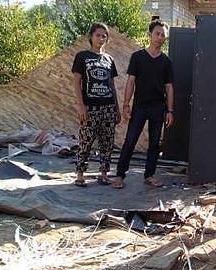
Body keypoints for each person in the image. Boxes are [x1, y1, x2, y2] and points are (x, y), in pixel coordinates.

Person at [112, 20, 174, 189]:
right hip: (139, 106)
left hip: (158, 107)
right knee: (130, 140)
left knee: (154, 144)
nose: (160, 37)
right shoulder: (138, 57)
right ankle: (119, 175)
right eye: (157, 33)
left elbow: (169, 87)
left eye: (163, 35)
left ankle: (149, 175)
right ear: (150, 34)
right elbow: (131, 82)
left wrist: (170, 110)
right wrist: (125, 105)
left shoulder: (166, 62)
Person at [71, 22, 120, 187]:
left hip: (108, 108)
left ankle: (103, 174)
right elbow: (77, 82)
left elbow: (112, 85)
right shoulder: (82, 57)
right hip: (90, 107)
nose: (101, 38)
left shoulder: (109, 59)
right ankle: (80, 175)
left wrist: (117, 109)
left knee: (107, 142)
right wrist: (81, 105)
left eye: (104, 36)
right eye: (98, 35)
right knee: (85, 141)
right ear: (91, 37)